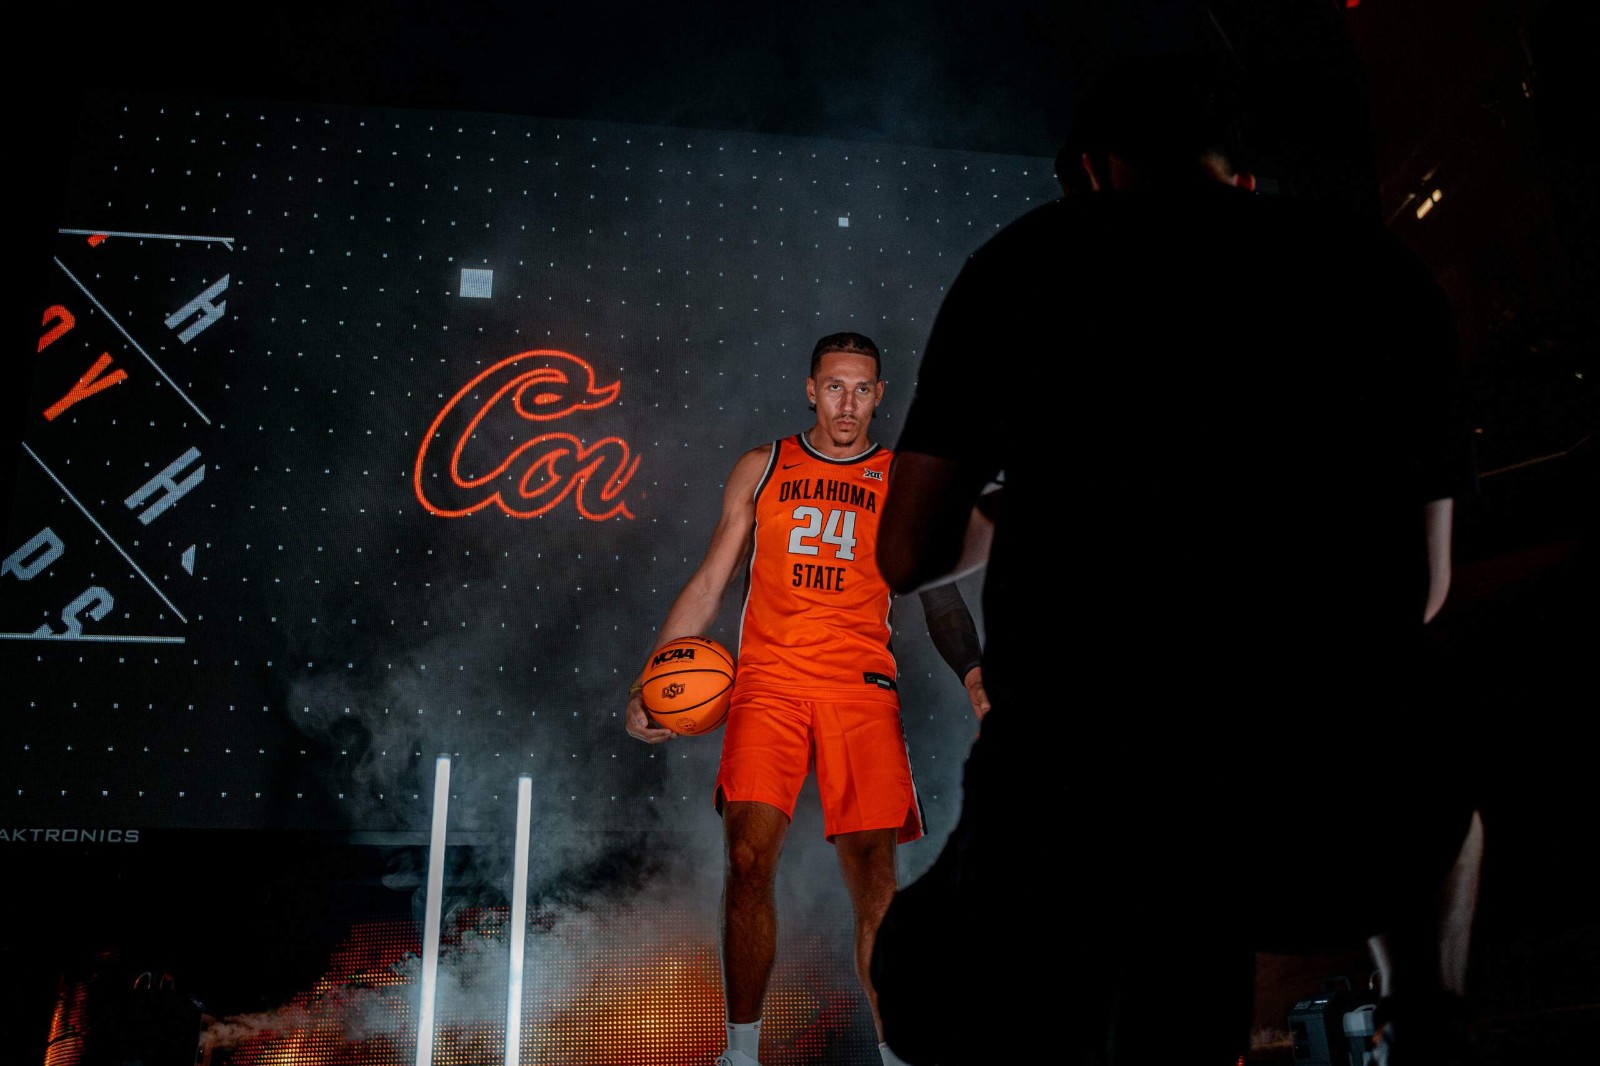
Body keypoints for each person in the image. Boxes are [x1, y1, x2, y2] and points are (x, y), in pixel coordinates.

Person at [869, 48, 1483, 1066]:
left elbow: (910, 553)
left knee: (923, 973)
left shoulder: (1027, 263)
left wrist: (1038, 499)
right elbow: (1420, 588)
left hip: (1090, 801)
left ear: (1092, 168)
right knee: (1426, 769)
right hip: (1333, 806)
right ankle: (1429, 1017)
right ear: (1236, 165)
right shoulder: (1375, 269)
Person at [625, 331, 922, 1066]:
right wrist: (647, 682)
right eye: (834, 386)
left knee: (876, 882)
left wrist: (977, 674)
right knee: (747, 860)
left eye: (862, 388)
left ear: (879, 395)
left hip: (859, 688)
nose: (847, 402)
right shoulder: (763, 468)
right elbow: (710, 581)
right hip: (770, 684)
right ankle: (741, 1054)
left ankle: (894, 1054)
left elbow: (940, 591)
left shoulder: (899, 478)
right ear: (810, 389)